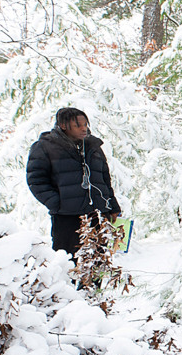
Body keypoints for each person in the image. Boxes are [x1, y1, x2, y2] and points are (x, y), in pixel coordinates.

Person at [25, 107, 121, 258]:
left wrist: (112, 207)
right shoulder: (45, 147)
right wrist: (58, 203)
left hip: (97, 214)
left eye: (85, 125)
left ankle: (93, 283)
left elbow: (104, 179)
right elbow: (36, 180)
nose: (84, 129)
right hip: (66, 218)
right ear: (63, 125)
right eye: (78, 125)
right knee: (68, 262)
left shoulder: (93, 147)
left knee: (97, 263)